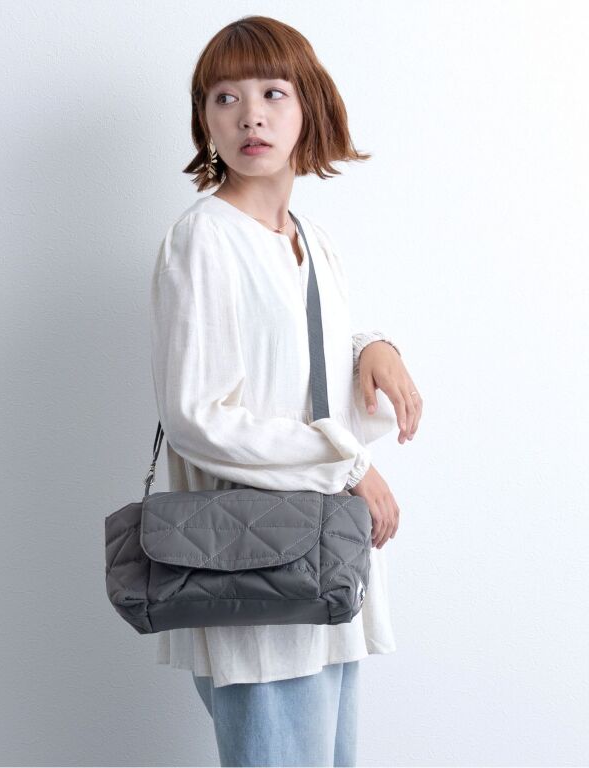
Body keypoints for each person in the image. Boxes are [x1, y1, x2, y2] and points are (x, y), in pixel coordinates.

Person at [149, 14, 423, 767]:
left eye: (273, 92)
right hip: (255, 560)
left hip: (325, 559)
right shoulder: (204, 237)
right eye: (225, 98)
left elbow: (300, 364)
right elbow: (197, 416)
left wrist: (372, 347)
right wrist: (349, 467)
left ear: (310, 107)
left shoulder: (310, 239)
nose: (251, 116)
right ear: (206, 121)